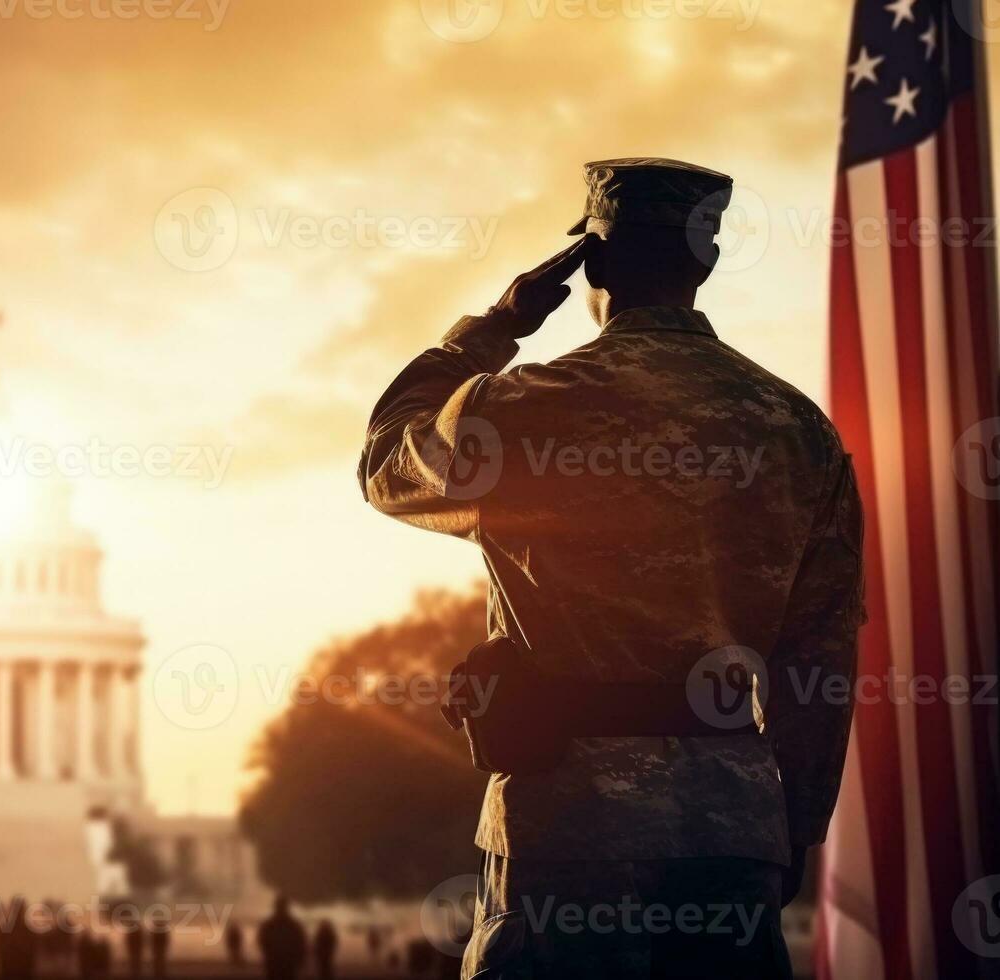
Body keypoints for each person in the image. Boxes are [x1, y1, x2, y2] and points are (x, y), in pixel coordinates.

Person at [361, 158, 864, 979]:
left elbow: (387, 464)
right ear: (704, 261)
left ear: (590, 264)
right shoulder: (798, 431)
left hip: (566, 822)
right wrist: (794, 824)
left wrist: (490, 328)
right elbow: (822, 655)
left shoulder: (523, 407)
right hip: (730, 829)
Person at [256, 896, 306, 980]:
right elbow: (301, 943)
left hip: (274, 962)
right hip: (288, 962)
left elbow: (262, 941)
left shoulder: (269, 925)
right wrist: (299, 959)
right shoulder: (294, 925)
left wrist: (268, 954)